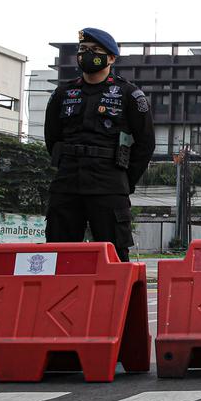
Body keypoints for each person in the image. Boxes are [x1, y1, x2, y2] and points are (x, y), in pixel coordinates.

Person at [44, 28, 154, 262]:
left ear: (111, 58)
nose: (87, 55)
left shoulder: (129, 94)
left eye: (95, 51)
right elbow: (52, 138)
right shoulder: (63, 93)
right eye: (83, 50)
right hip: (67, 184)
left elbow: (145, 145)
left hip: (109, 183)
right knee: (58, 255)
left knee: (114, 256)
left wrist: (124, 179)